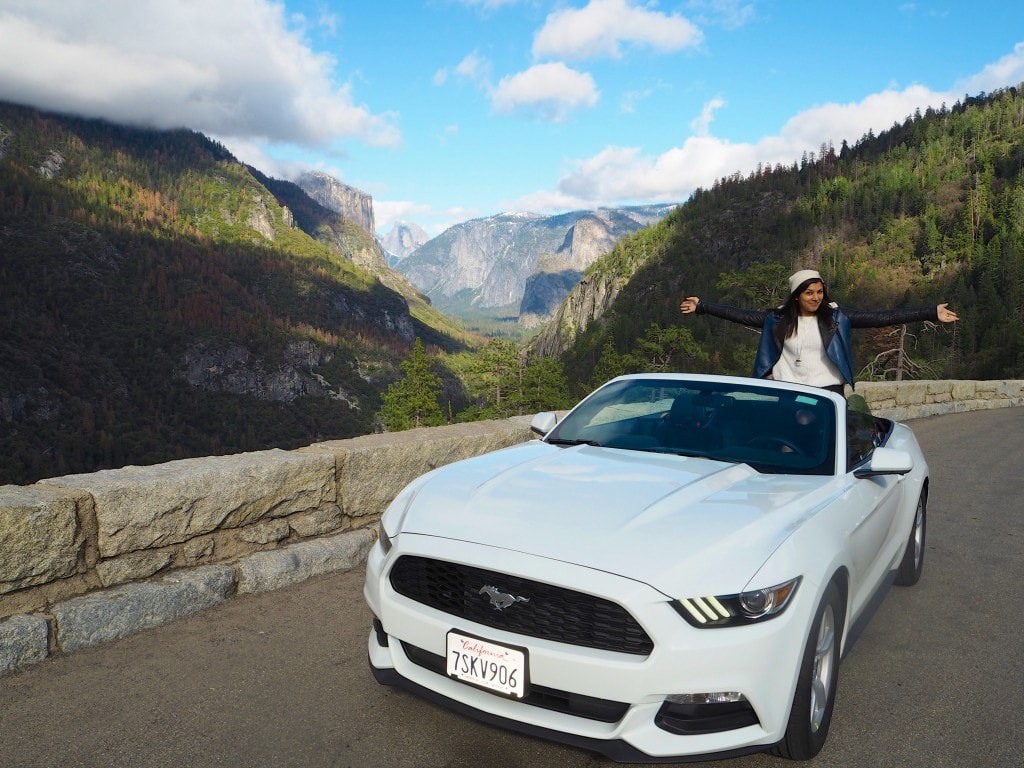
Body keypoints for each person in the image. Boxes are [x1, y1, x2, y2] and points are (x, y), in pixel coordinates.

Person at [679, 269, 959, 395]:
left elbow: (883, 316)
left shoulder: (837, 317)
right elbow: (737, 314)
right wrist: (703, 306)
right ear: (797, 296)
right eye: (809, 292)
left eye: (820, 291)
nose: (816, 297)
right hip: (788, 389)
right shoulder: (776, 320)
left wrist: (930, 312)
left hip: (828, 389)